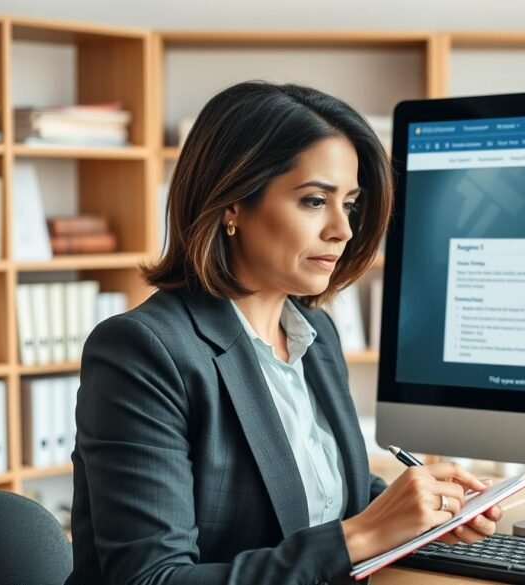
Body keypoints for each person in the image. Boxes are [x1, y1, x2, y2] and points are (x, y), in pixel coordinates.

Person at [65, 81, 502, 585]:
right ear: (231, 204)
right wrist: (360, 535)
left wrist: (425, 510)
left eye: (351, 204)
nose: (344, 229)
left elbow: (319, 498)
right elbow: (152, 579)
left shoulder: (315, 334)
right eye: (316, 201)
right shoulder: (141, 351)